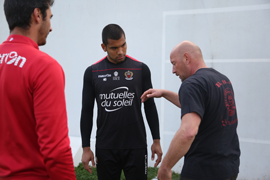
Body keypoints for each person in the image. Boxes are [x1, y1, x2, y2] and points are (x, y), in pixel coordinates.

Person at [141, 41, 240, 180]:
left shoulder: (192, 84)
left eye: (174, 63)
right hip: (229, 168)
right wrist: (164, 93)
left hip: (203, 171)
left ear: (187, 58)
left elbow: (189, 131)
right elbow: (197, 106)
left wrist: (165, 167)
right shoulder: (222, 79)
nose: (173, 71)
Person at [0, 0, 76, 179]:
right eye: (49, 17)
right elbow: (55, 150)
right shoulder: (44, 67)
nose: (50, 28)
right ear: (37, 15)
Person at [80, 24, 162, 180]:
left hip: (136, 145)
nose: (120, 51)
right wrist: (86, 147)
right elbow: (86, 111)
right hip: (106, 146)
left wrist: (156, 141)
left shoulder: (140, 69)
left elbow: (150, 106)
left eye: (123, 45)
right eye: (114, 48)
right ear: (104, 47)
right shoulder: (92, 72)